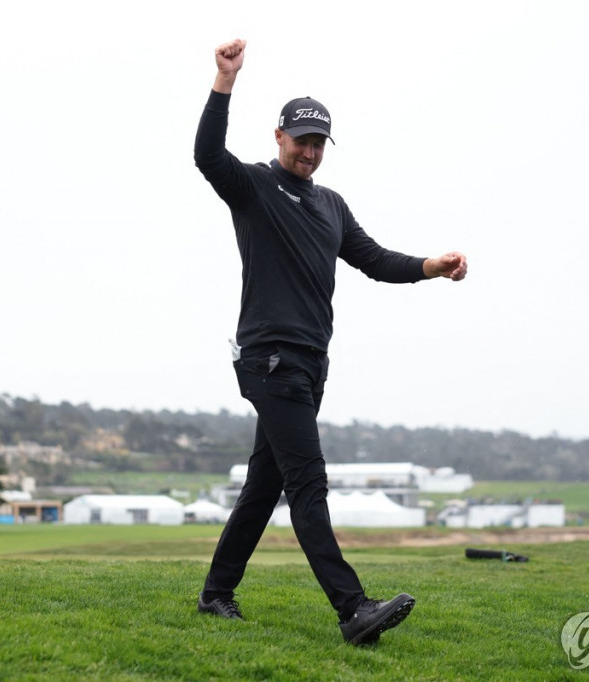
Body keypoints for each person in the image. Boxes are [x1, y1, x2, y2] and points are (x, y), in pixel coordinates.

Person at [193, 38, 468, 646]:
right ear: (279, 138)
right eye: (301, 141)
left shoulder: (331, 205)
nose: (310, 153)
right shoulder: (254, 188)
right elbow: (207, 155)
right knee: (308, 485)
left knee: (265, 485)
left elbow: (373, 260)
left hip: (310, 363)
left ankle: (216, 594)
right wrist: (224, 81)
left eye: (319, 143)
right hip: (271, 358)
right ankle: (353, 609)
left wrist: (431, 264)